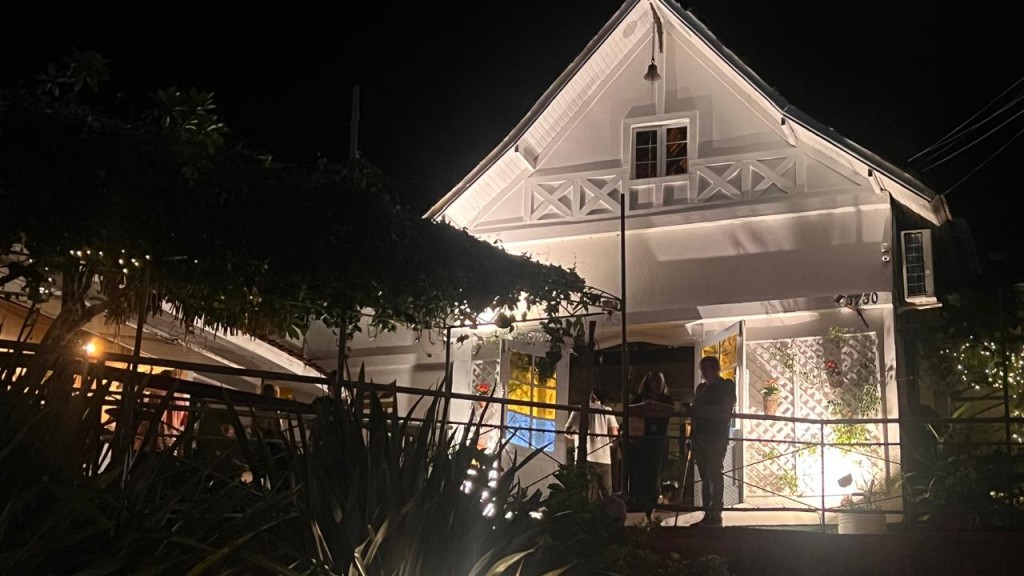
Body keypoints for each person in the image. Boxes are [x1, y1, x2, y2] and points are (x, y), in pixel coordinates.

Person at [688, 355, 737, 527]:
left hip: (716, 435)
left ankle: (716, 511)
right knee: (704, 475)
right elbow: (695, 413)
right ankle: (707, 511)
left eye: (707, 367)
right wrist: (691, 435)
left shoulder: (726, 385)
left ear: (716, 368)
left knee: (714, 472)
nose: (704, 371)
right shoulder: (701, 388)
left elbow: (726, 409)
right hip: (700, 435)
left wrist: (702, 410)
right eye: (703, 368)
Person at [626, 371, 674, 517]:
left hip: (657, 442)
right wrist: (646, 406)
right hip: (639, 441)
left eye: (658, 382)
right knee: (638, 475)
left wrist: (653, 407)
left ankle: (649, 508)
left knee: (653, 476)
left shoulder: (666, 399)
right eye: (653, 382)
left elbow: (670, 410)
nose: (656, 386)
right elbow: (628, 409)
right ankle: (637, 505)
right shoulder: (640, 398)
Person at [564, 391, 620, 501]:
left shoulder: (578, 410)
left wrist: (576, 436)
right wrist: (610, 443)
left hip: (584, 457)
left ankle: (587, 510)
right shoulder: (607, 411)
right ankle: (607, 510)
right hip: (604, 457)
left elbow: (567, 431)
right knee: (606, 493)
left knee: (586, 491)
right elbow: (614, 433)